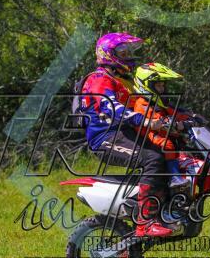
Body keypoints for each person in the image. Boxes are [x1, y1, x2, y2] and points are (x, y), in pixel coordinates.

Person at [76, 32, 177, 238]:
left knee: (169, 149)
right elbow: (111, 106)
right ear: (108, 54)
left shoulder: (123, 80)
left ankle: (166, 208)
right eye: (123, 53)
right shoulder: (98, 79)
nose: (128, 56)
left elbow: (148, 102)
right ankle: (145, 222)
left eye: (129, 52)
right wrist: (144, 121)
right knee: (152, 158)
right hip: (106, 137)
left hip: (125, 133)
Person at [130, 62, 194, 190]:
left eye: (163, 85)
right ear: (146, 86)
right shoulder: (142, 103)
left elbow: (175, 112)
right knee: (167, 144)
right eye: (158, 85)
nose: (162, 89)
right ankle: (174, 177)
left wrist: (191, 117)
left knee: (184, 143)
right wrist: (172, 123)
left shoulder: (159, 103)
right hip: (148, 135)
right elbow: (157, 121)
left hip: (160, 132)